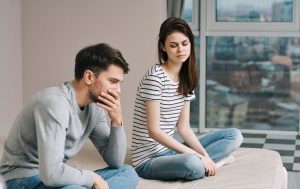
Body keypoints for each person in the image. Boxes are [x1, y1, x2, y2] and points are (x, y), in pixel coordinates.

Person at [0, 43, 139, 189]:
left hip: (52, 177)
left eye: (120, 83)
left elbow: (115, 162)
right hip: (22, 179)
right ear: (89, 77)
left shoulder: (94, 108)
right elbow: (52, 174)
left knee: (127, 172)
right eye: (113, 81)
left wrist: (117, 121)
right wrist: (92, 178)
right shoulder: (55, 104)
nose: (118, 90)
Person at [131, 17, 243, 181]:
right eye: (173, 45)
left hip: (172, 151)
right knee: (192, 165)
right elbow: (153, 131)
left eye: (184, 43)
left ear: (191, 43)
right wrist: (195, 156)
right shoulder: (155, 77)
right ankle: (214, 164)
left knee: (234, 136)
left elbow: (184, 128)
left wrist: (204, 156)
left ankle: (208, 163)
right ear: (163, 47)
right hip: (148, 160)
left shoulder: (187, 77)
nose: (180, 50)